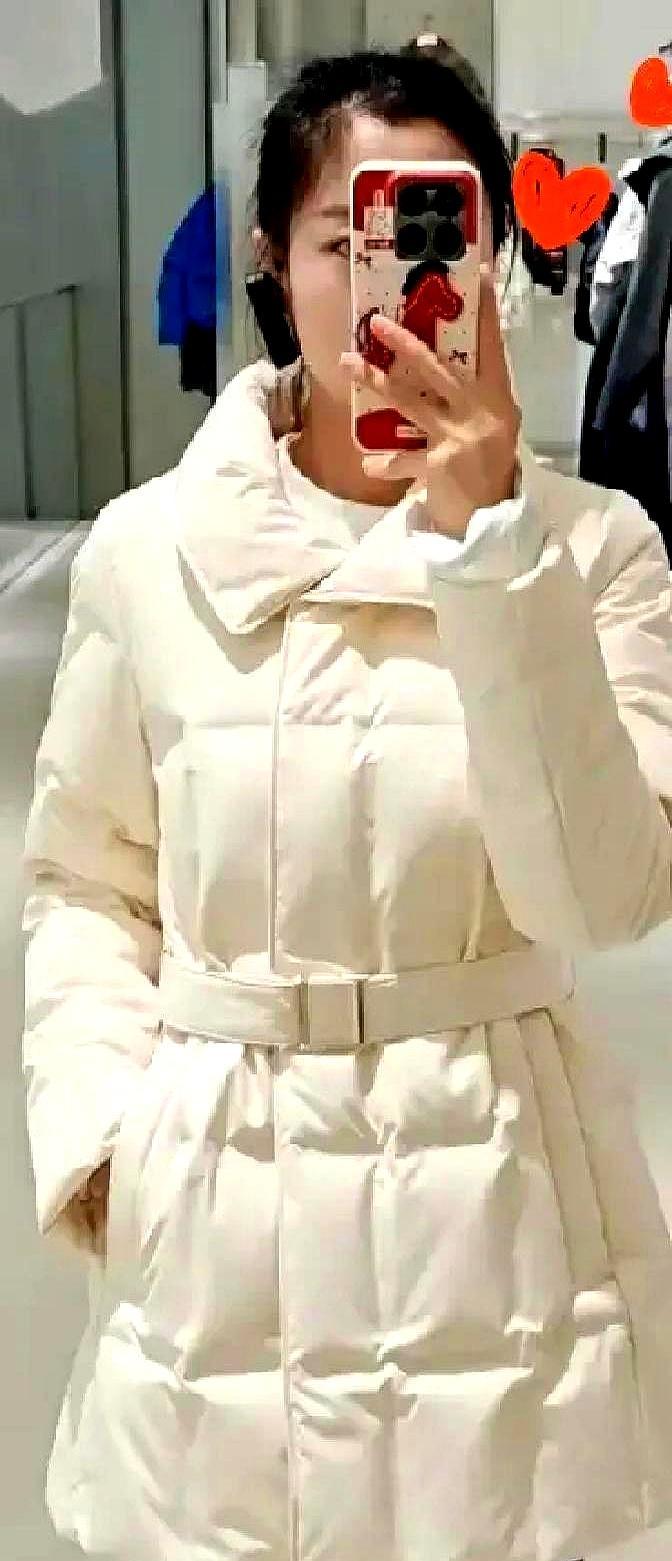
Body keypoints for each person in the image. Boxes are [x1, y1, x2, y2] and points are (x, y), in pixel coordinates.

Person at [20, 41, 672, 1561]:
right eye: (345, 240)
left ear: (493, 259)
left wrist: (494, 550)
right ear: (274, 258)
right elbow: (87, 878)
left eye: (440, 232)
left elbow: (603, 895)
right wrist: (111, 1141)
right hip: (224, 1212)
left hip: (498, 1201)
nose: (391, 285)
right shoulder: (151, 550)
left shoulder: (597, 551)